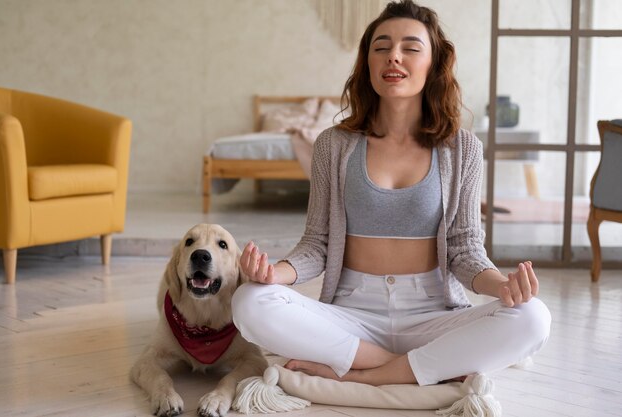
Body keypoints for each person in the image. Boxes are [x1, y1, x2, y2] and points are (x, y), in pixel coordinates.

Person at [232, 0, 551, 387]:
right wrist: (272, 274)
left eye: (410, 48)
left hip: (432, 314)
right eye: (381, 47)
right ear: (367, 62)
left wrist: (502, 286)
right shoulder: (332, 145)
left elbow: (465, 250)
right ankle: (411, 367)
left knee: (534, 317)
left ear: (434, 63)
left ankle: (365, 374)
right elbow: (316, 244)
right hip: (352, 315)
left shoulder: (462, 148)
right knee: (249, 301)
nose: (393, 57)